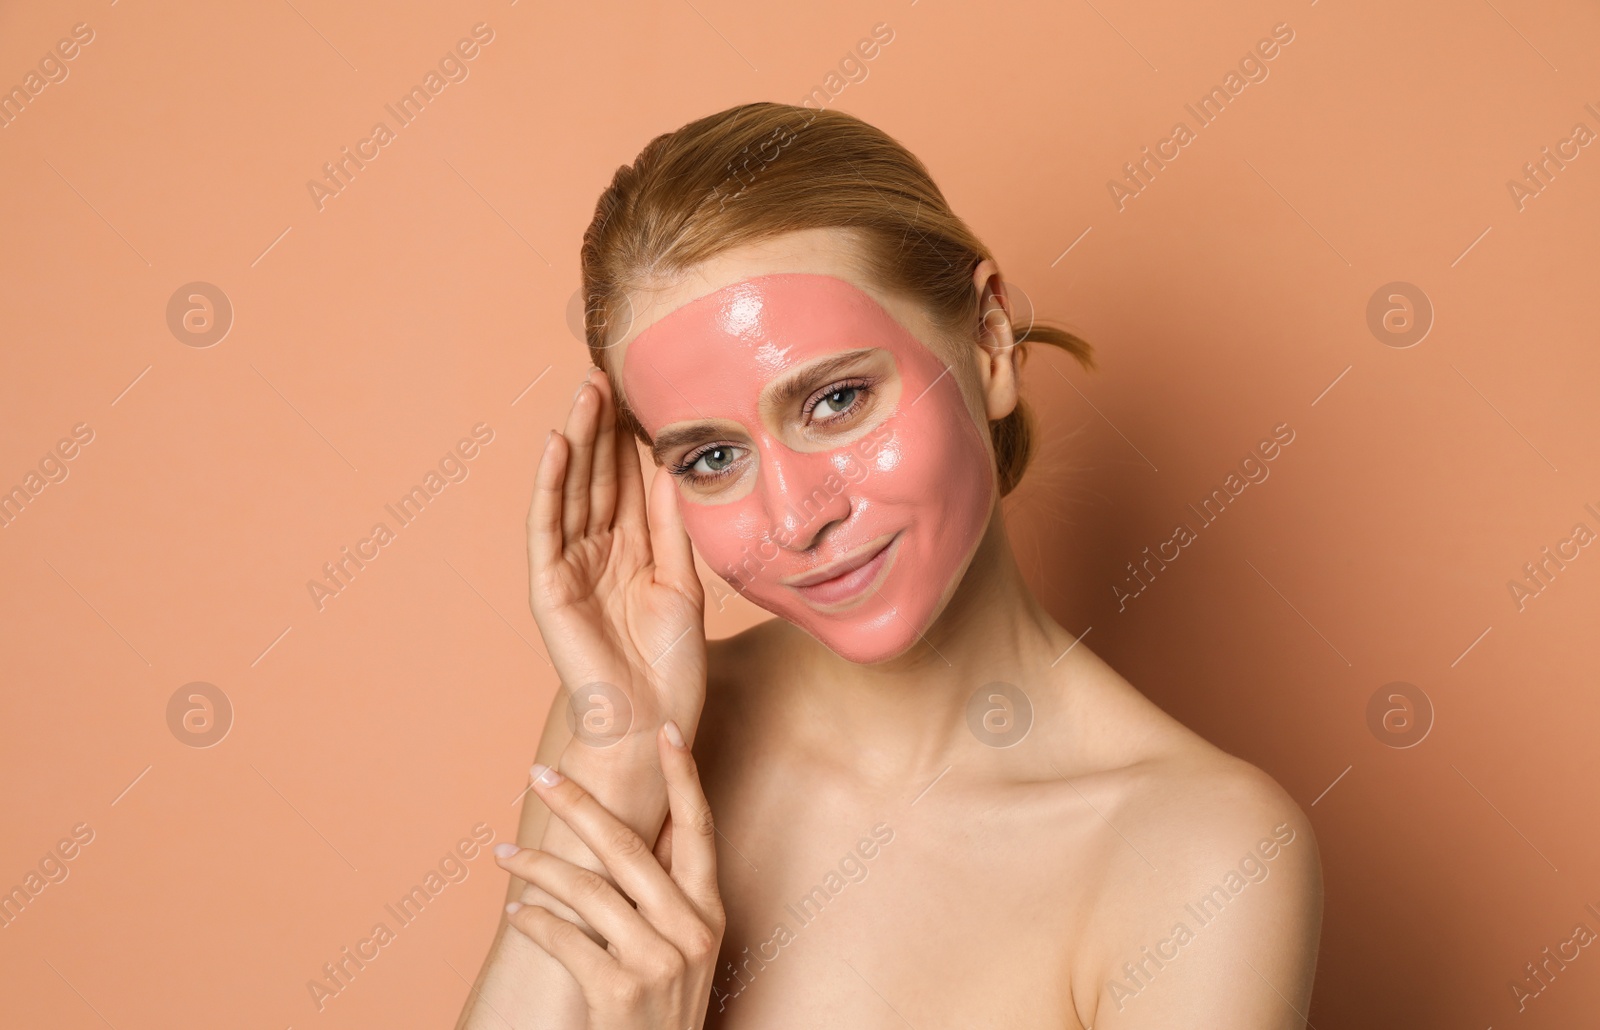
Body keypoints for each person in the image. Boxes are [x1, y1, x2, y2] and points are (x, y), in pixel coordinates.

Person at [456, 101, 1321, 1029]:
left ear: (989, 342)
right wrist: (619, 764)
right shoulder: (639, 739)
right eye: (712, 457)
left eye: (836, 401)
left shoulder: (1200, 855)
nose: (794, 518)